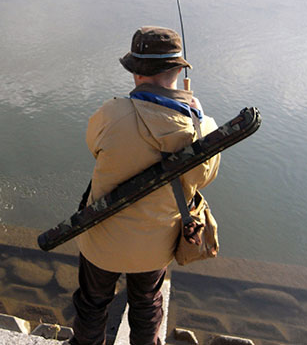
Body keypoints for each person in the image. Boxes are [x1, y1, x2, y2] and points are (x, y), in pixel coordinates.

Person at [70, 26, 221, 345]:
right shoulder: (204, 129)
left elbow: (93, 147)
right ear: (178, 70)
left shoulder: (112, 113)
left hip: (102, 239)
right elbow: (204, 178)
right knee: (147, 304)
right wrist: (197, 117)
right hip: (155, 246)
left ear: (136, 72)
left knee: (92, 304)